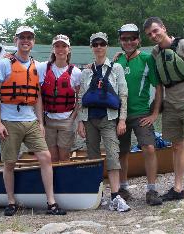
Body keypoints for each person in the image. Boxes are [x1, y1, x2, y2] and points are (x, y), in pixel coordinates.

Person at [0, 26, 66, 216]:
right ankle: (11, 201)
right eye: (22, 37)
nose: (26, 41)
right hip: (9, 121)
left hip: (31, 120)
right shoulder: (4, 63)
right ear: (16, 40)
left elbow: (38, 96)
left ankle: (51, 202)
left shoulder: (36, 66)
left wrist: (40, 122)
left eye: (29, 38)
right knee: (9, 162)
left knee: (45, 157)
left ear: (33, 41)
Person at [143, 17, 184, 201]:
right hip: (171, 104)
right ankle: (178, 188)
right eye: (150, 34)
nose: (154, 35)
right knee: (176, 146)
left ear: (164, 28)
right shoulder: (155, 53)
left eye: (156, 31)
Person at [77, 32, 130, 212]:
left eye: (102, 44)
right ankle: (96, 195)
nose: (98, 47)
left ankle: (115, 196)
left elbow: (123, 94)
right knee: (92, 158)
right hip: (90, 119)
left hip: (109, 118)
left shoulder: (116, 69)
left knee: (113, 156)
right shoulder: (86, 71)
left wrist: (122, 119)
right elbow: (81, 97)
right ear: (91, 47)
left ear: (106, 46)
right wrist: (79, 122)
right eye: (95, 44)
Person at [115, 24, 163, 206]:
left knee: (149, 148)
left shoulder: (146, 58)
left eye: (132, 38)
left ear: (138, 40)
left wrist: (155, 113)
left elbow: (158, 87)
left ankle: (151, 190)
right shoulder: (117, 60)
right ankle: (123, 188)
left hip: (141, 112)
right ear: (120, 41)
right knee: (122, 152)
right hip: (120, 115)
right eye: (124, 39)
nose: (128, 42)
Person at [41, 34, 81, 162]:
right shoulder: (43, 68)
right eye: (57, 46)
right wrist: (10, 57)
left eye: (64, 46)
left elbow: (80, 99)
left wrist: (73, 118)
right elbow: (24, 63)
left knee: (64, 157)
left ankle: (65, 181)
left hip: (66, 121)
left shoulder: (75, 72)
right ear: (53, 49)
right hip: (48, 120)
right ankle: (53, 182)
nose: (60, 49)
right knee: (51, 157)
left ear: (69, 49)